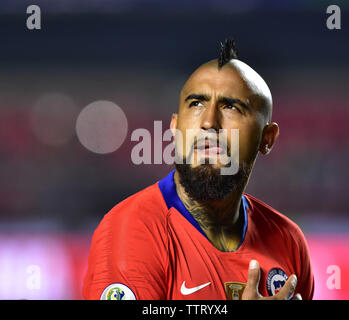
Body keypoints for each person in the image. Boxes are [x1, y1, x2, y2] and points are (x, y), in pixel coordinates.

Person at [82, 38, 314, 300]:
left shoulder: (288, 240)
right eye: (196, 104)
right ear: (175, 126)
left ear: (267, 138)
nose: (208, 122)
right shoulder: (133, 229)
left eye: (231, 107)